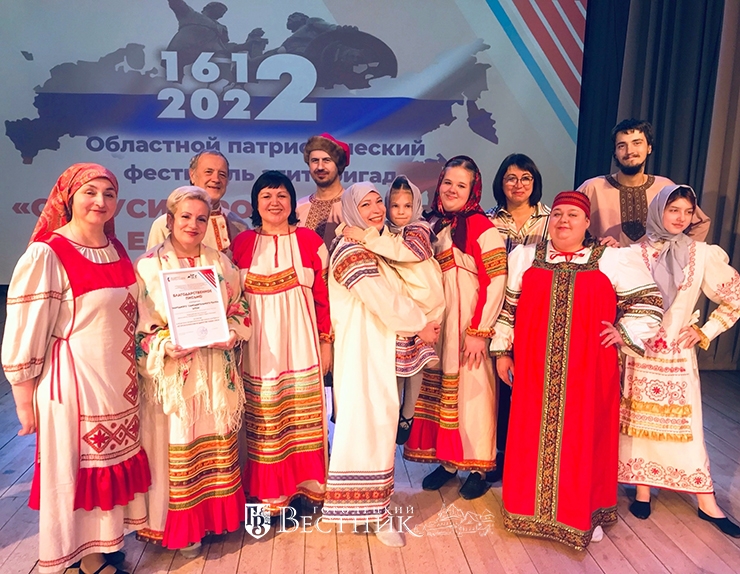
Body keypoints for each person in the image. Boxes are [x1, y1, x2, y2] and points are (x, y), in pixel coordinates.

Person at [491, 191, 663, 549]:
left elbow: (649, 302)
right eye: (557, 214)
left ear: (587, 223)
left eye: (572, 215)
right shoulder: (526, 257)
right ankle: (527, 511)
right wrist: (503, 351)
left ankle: (585, 513)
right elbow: (508, 309)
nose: (563, 221)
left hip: (589, 368)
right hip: (535, 367)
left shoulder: (611, 260)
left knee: (584, 439)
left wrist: (623, 332)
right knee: (529, 436)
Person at [1, 164, 151, 574]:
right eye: (90, 192)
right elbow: (26, 327)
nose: (100, 201)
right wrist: (24, 400)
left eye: (109, 193)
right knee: (82, 469)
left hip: (117, 380)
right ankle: (85, 559)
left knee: (111, 464)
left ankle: (107, 541)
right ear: (69, 197)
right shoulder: (48, 253)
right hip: (75, 382)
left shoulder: (115, 247)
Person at [135, 186, 251, 556]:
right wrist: (163, 345)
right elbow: (139, 329)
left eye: (201, 218)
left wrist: (232, 333)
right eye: (185, 216)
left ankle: (215, 521)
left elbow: (240, 307)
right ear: (169, 220)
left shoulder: (221, 263)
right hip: (177, 377)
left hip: (215, 372)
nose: (193, 224)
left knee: (216, 444)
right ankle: (185, 530)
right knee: (180, 445)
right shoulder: (149, 267)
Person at [619, 185, 740, 538]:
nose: (681, 218)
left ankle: (706, 501)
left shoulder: (700, 254)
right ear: (658, 211)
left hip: (676, 355)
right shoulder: (633, 253)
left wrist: (705, 331)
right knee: (636, 425)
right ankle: (642, 490)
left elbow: (735, 296)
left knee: (686, 427)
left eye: (688, 212)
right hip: (639, 355)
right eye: (674, 210)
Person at [323, 182, 439, 547]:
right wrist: (420, 324)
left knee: (378, 428)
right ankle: (372, 513)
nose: (375, 209)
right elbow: (383, 300)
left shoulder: (371, 244)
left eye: (378, 202)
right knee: (367, 430)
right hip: (363, 354)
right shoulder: (351, 251)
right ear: (351, 210)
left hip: (377, 349)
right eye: (365, 205)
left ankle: (371, 510)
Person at [404, 156, 507, 500]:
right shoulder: (431, 224)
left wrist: (479, 330)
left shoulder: (481, 227)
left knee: (474, 395)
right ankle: (448, 462)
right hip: (439, 325)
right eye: (448, 182)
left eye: (461, 185)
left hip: (467, 326)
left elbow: (496, 281)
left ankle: (478, 467)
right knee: (439, 395)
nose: (452, 190)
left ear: (473, 190)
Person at [232, 171, 331, 515]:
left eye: (282, 196)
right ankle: (270, 497)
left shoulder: (309, 241)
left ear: (292, 202)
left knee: (303, 420)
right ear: (255, 203)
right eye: (266, 196)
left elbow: (324, 298)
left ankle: (307, 490)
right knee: (265, 421)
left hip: (302, 347)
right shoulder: (242, 244)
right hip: (259, 352)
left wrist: (327, 342)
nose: (274, 203)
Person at [342, 175, 445, 444]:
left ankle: (407, 413)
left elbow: (406, 253)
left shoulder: (419, 229)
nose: (400, 212)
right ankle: (397, 413)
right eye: (394, 206)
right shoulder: (385, 231)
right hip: (410, 303)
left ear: (416, 206)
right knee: (401, 363)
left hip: (426, 300)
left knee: (416, 363)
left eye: (407, 206)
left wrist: (367, 238)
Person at [485, 153, 550, 483]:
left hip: (538, 316)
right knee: (496, 389)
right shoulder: (486, 221)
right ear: (501, 183)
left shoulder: (553, 220)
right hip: (495, 312)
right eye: (511, 178)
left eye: (526, 178)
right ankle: (496, 455)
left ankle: (528, 458)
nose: (518, 184)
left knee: (531, 389)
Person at [578, 118, 710, 246]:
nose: (629, 151)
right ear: (615, 153)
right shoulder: (593, 187)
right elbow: (569, 224)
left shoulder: (665, 188)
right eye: (622, 146)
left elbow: (700, 223)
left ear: (649, 148)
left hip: (654, 261)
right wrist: (593, 247)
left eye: (637, 143)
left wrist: (680, 250)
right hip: (607, 260)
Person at [147, 151, 247, 255]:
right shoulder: (165, 224)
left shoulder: (239, 226)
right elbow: (153, 262)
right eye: (208, 172)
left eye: (222, 174)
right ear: (192, 176)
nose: (216, 179)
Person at [295, 133, 350, 249]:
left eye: (326, 160)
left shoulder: (351, 205)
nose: (320, 167)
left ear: (338, 165)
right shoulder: (299, 207)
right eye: (315, 160)